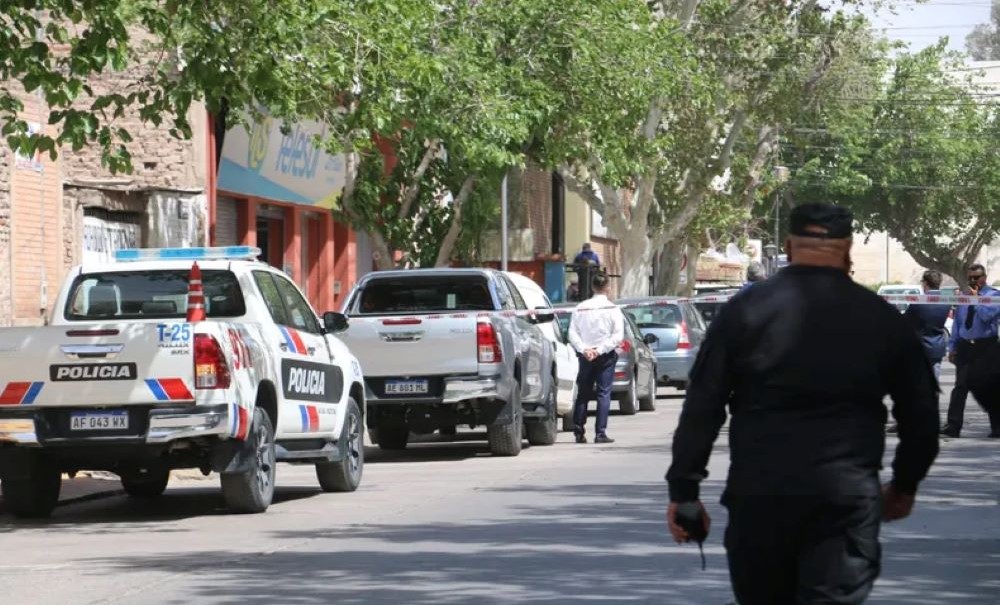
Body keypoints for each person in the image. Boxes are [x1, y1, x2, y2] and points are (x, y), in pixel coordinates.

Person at [665, 203, 940, 605]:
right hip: (843, 500)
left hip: (760, 496)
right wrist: (903, 485)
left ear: (789, 247)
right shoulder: (881, 318)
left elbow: (703, 405)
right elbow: (921, 415)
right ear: (847, 251)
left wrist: (684, 491)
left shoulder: (744, 312)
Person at [942, 263, 1000, 438]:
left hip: (986, 346)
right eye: (970, 278)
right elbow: (959, 324)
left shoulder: (994, 296)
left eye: (977, 277)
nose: (973, 281)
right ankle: (953, 426)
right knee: (960, 387)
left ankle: (997, 426)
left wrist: (977, 301)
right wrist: (952, 347)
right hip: (966, 346)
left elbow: (987, 317)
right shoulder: (964, 297)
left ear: (984, 278)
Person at [567, 273, 624, 444]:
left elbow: (572, 333)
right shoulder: (613, 309)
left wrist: (585, 349)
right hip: (604, 355)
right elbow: (617, 336)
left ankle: (578, 431)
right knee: (603, 393)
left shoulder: (581, 307)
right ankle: (600, 433)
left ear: (592, 287)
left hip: (585, 356)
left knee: (583, 393)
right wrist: (599, 350)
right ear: (607, 288)